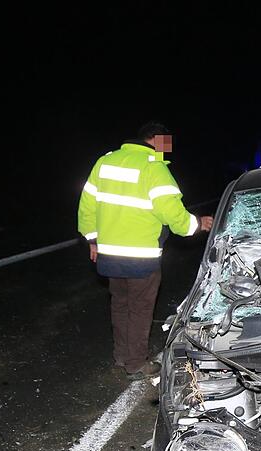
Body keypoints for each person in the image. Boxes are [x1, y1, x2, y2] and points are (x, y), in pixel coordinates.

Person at [78, 122, 213, 379]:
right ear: (156, 140)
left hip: (109, 254)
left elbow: (87, 206)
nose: (168, 150)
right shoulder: (153, 167)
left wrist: (93, 240)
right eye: (166, 143)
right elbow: (172, 213)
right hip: (141, 255)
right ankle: (136, 364)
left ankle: (121, 356)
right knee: (140, 308)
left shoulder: (105, 162)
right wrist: (198, 224)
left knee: (120, 304)